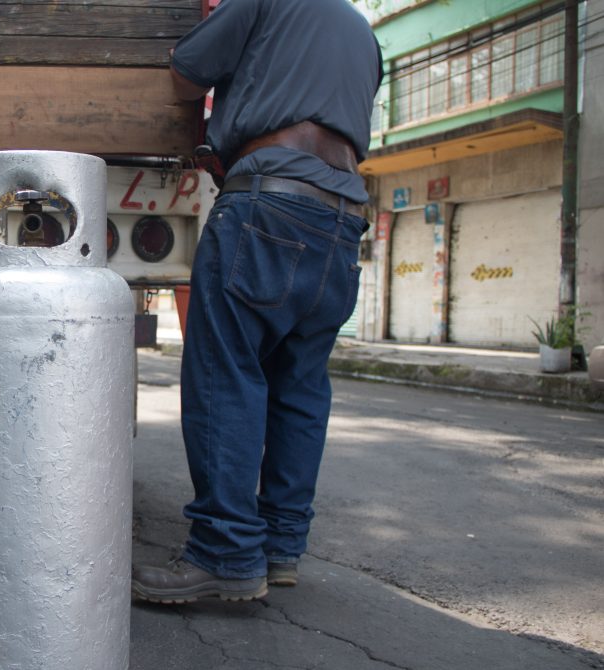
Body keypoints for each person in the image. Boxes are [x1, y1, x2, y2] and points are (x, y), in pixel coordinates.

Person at [131, 0, 383, 604]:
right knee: (300, 385)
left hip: (271, 203)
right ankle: (279, 547)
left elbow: (185, 73)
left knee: (226, 372)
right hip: (342, 218)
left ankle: (224, 553)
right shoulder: (361, 32)